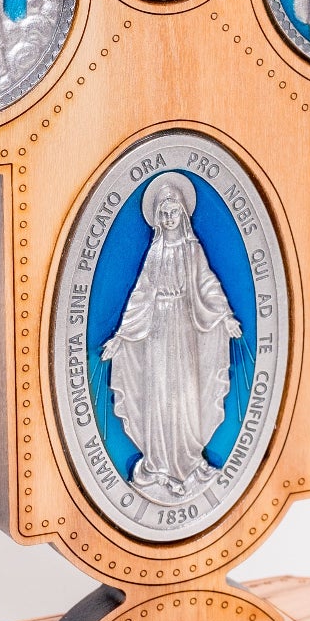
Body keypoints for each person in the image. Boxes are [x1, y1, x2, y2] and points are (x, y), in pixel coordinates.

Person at [100, 173, 243, 501]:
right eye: (163, 214)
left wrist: (224, 316)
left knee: (185, 392)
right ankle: (160, 465)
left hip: (184, 327)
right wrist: (121, 336)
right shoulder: (155, 253)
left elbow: (207, 283)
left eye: (173, 212)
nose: (168, 218)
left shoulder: (192, 250)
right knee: (160, 393)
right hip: (157, 333)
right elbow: (141, 295)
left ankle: (189, 462)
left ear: (182, 213)